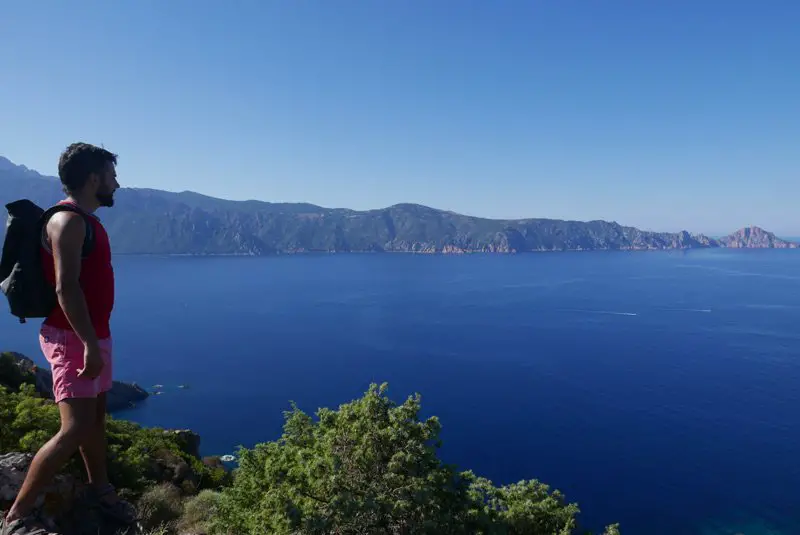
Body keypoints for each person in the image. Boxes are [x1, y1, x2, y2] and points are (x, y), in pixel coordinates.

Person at [1, 143, 136, 534]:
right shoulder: (67, 222)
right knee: (74, 427)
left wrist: (98, 340)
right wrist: (90, 346)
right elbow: (66, 288)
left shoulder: (86, 221)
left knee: (95, 417)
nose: (117, 184)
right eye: (112, 176)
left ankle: (100, 488)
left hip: (94, 334)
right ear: (94, 179)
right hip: (73, 337)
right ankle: (17, 516)